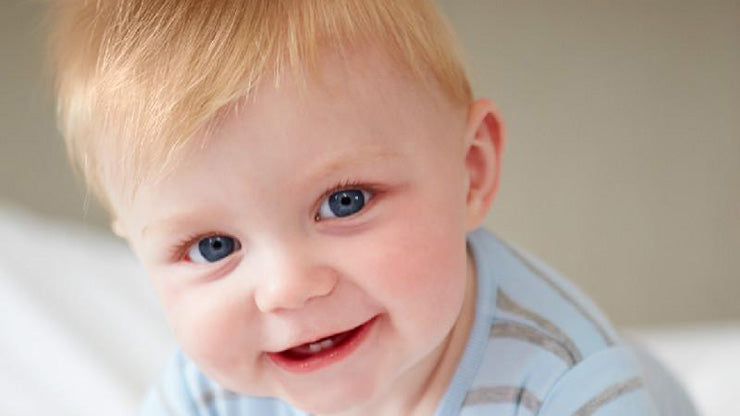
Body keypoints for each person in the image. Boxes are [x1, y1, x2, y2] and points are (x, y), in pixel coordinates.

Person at [46, 1, 696, 415]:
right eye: (215, 246)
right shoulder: (212, 390)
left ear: (469, 171)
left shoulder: (562, 383)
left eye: (344, 202)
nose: (286, 290)